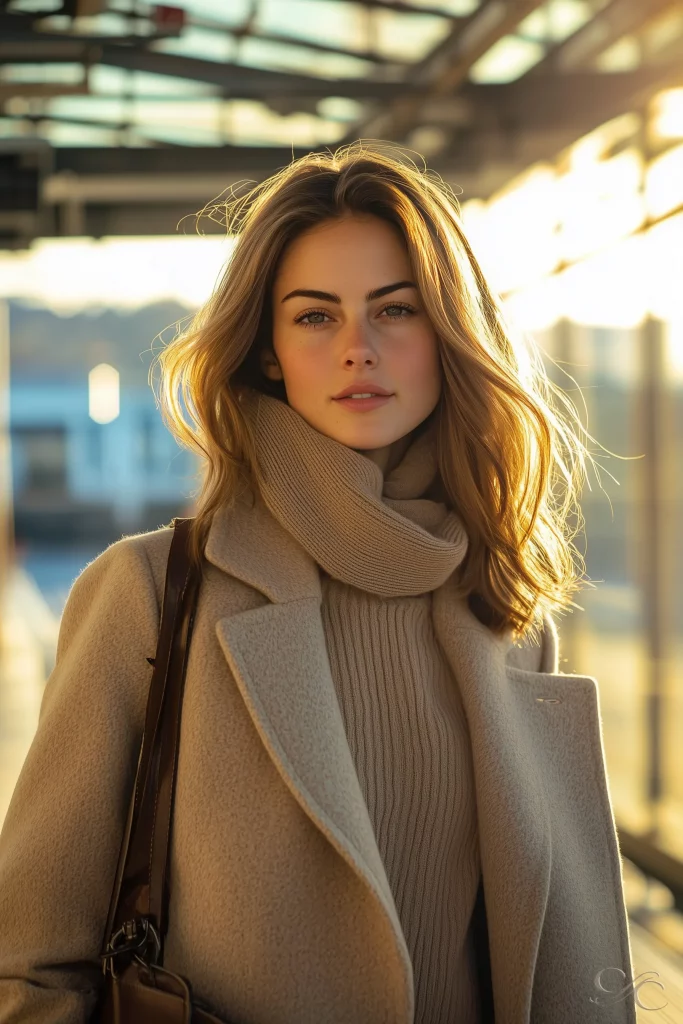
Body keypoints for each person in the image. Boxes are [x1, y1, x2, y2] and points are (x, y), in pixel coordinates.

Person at [0, 141, 636, 1024]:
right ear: (266, 351)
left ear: (448, 336)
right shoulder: (148, 594)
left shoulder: (506, 611)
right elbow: (29, 965)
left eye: (395, 310)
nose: (357, 350)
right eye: (313, 317)